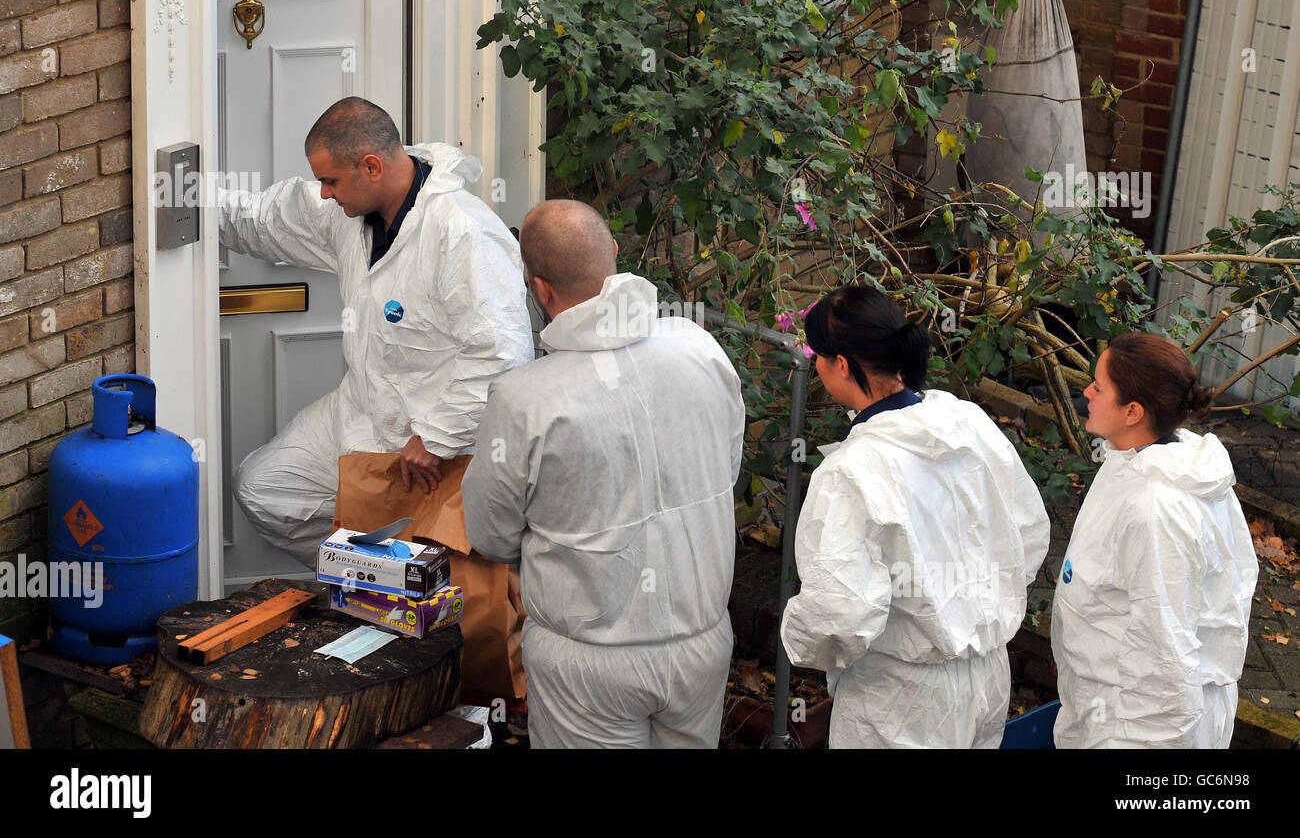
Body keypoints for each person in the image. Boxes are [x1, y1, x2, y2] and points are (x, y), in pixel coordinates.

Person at [461, 200, 746, 749]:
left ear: (539, 289)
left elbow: (490, 533)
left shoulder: (523, 398)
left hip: (587, 658)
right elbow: (725, 466)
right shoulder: (699, 348)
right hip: (702, 640)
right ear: (615, 253)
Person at [216, 97, 534, 565]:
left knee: (453, 554)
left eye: (330, 181)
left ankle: (409, 595)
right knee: (266, 488)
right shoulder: (348, 215)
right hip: (361, 412)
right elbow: (265, 220)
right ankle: (380, 583)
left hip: (435, 443)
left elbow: (502, 355)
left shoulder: (462, 234)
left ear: (370, 166)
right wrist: (181, 202)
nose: (324, 192)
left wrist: (437, 438)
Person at [780, 286, 1050, 748]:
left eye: (817, 355)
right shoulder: (967, 422)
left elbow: (838, 613)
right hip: (987, 676)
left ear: (841, 364)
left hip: (900, 701)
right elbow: (1027, 534)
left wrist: (799, 639)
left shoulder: (850, 471)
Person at [1052, 332, 1257, 749]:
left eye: (1099, 386)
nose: (1087, 391)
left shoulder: (1157, 509)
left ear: (1132, 411)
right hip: (1109, 704)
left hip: (1138, 728)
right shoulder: (1137, 458)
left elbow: (1165, 651)